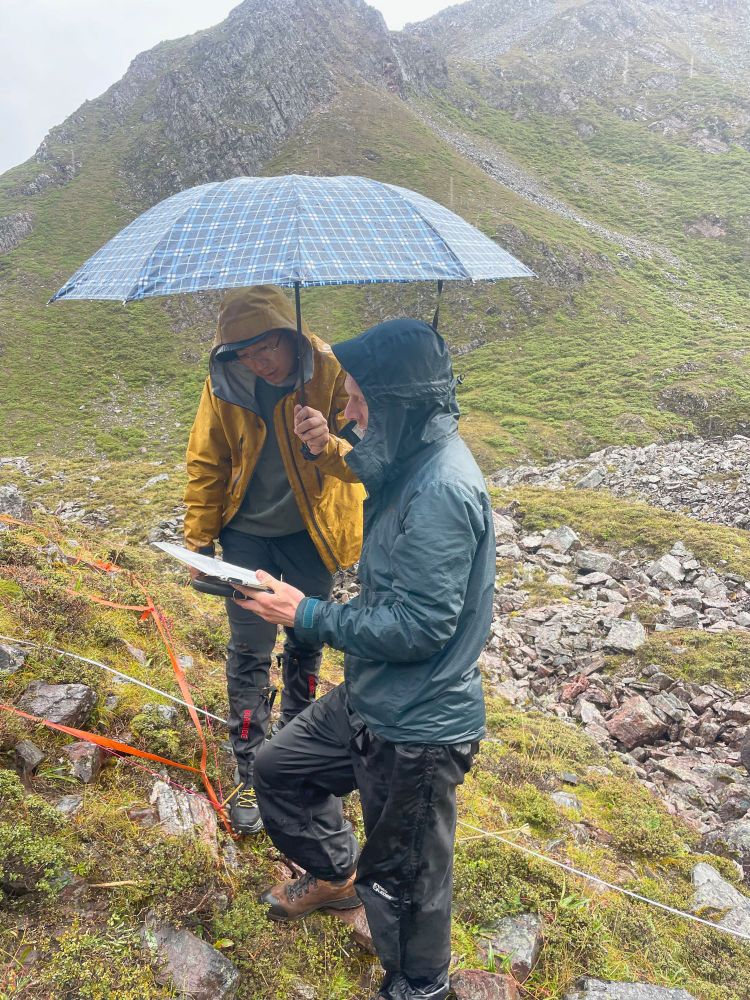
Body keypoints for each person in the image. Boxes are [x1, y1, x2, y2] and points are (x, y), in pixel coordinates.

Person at [234, 318, 496, 1000]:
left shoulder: (441, 491)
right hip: (372, 694)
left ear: (398, 403)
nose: (347, 407)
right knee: (277, 768)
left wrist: (306, 614)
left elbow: (419, 627)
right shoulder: (411, 458)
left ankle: (417, 987)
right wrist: (331, 441)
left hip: (418, 728)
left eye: (355, 399)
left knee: (407, 882)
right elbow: (380, 464)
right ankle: (333, 874)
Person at [183, 285, 365, 835]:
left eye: (267, 348)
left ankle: (296, 749)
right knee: (249, 647)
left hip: (312, 534)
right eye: (243, 352)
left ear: (290, 334)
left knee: (306, 638)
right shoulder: (224, 384)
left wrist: (325, 442)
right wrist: (199, 543)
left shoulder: (332, 370)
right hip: (246, 535)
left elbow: (367, 460)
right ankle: (248, 765)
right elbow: (206, 460)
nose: (259, 362)